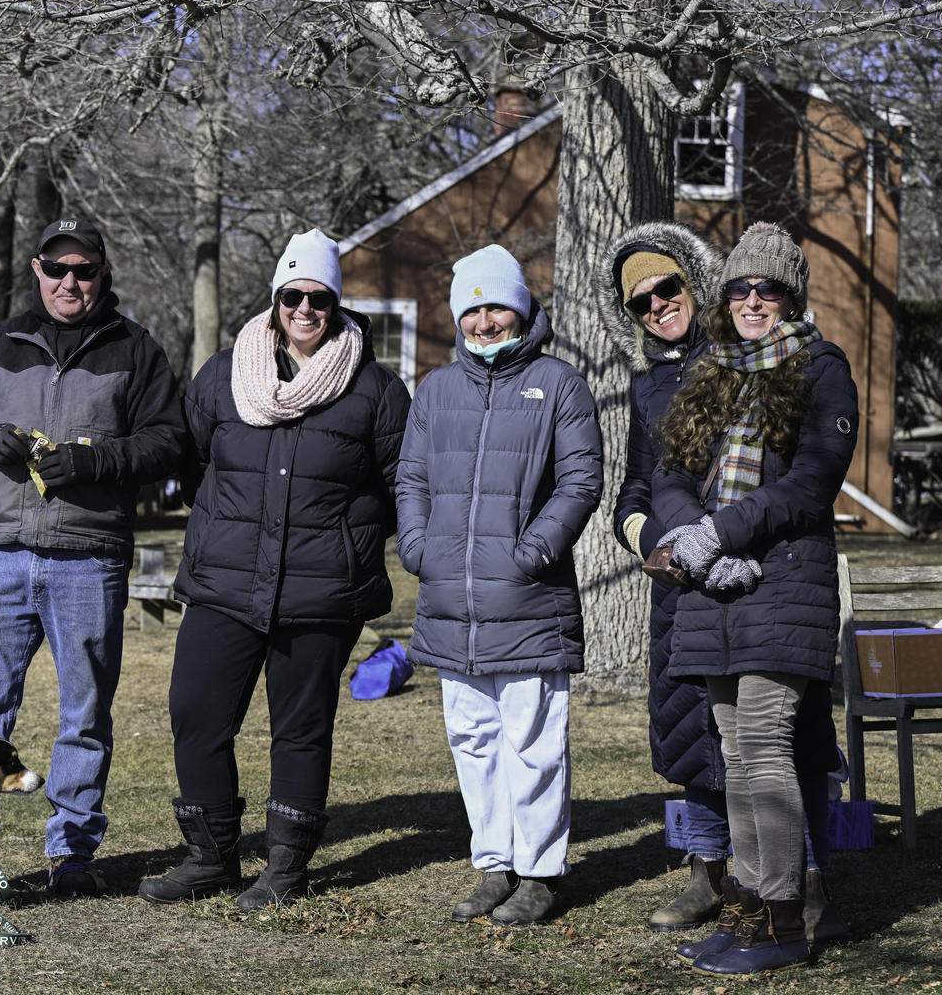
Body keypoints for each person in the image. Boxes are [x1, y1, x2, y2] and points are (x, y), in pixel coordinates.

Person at [138, 229, 410, 909]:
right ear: (275, 300)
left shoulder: (374, 388)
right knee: (196, 714)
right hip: (225, 583)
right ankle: (210, 857)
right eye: (294, 296)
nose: (306, 310)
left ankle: (286, 867)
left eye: (320, 298)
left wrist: (354, 539)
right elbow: (193, 461)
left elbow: (404, 481)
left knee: (301, 727)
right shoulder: (225, 375)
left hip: (323, 592)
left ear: (337, 304)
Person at [603, 225, 850, 944]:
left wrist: (724, 533)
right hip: (704, 586)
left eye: (766, 288)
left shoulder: (818, 366)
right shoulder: (702, 377)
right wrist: (691, 544)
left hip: (782, 581)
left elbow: (810, 482)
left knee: (773, 742)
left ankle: (787, 902)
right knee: (732, 745)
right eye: (740, 288)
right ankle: (744, 901)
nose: (751, 299)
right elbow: (662, 479)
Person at [0, 218, 185, 898]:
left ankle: (71, 854)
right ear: (38, 273)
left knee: (85, 712)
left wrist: (96, 459)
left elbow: (169, 441)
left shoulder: (136, 349)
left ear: (102, 275)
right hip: (1, 557)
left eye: (84, 270)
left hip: (90, 557)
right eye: (57, 269)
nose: (70, 282)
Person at [396, 244, 603, 925]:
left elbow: (581, 481)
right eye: (474, 308)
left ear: (522, 308)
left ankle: (541, 871)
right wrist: (420, 548)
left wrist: (533, 551)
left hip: (527, 598)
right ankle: (495, 865)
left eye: (498, 306)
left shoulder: (559, 383)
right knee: (473, 740)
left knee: (534, 742)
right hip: (452, 602)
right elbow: (412, 480)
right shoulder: (435, 389)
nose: (486, 321)